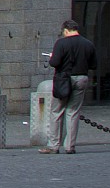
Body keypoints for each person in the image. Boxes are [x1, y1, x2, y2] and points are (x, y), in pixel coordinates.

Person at [37, 19, 96, 153]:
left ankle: (53, 145)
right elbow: (93, 65)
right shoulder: (88, 44)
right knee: (73, 112)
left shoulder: (61, 43)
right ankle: (70, 146)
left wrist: (52, 57)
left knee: (57, 111)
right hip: (81, 78)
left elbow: (54, 62)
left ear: (66, 30)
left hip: (64, 79)